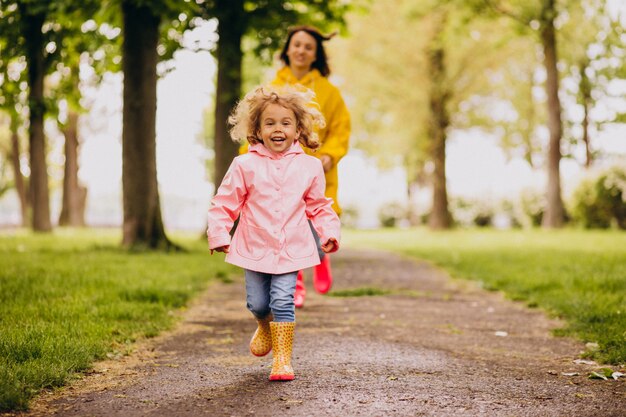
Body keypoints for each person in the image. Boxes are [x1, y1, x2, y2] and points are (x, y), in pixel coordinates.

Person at [207, 86, 341, 381]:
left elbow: (319, 206)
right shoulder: (244, 165)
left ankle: (282, 360)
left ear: (298, 129)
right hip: (253, 246)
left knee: (283, 300)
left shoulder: (310, 166)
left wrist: (328, 232)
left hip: (290, 247)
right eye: (270, 123)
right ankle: (263, 324)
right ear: (257, 129)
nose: (278, 129)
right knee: (258, 303)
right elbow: (224, 203)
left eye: (285, 123)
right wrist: (218, 234)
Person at [242, 25, 351, 308]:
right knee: (284, 224)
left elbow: (341, 130)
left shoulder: (329, 92)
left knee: (317, 224)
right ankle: (296, 282)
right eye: (297, 45)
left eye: (308, 47)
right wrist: (249, 162)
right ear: (288, 49)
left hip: (316, 168)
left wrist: (329, 155)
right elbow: (251, 125)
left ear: (316, 55)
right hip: (275, 173)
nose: (301, 51)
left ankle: (321, 259)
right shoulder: (270, 88)